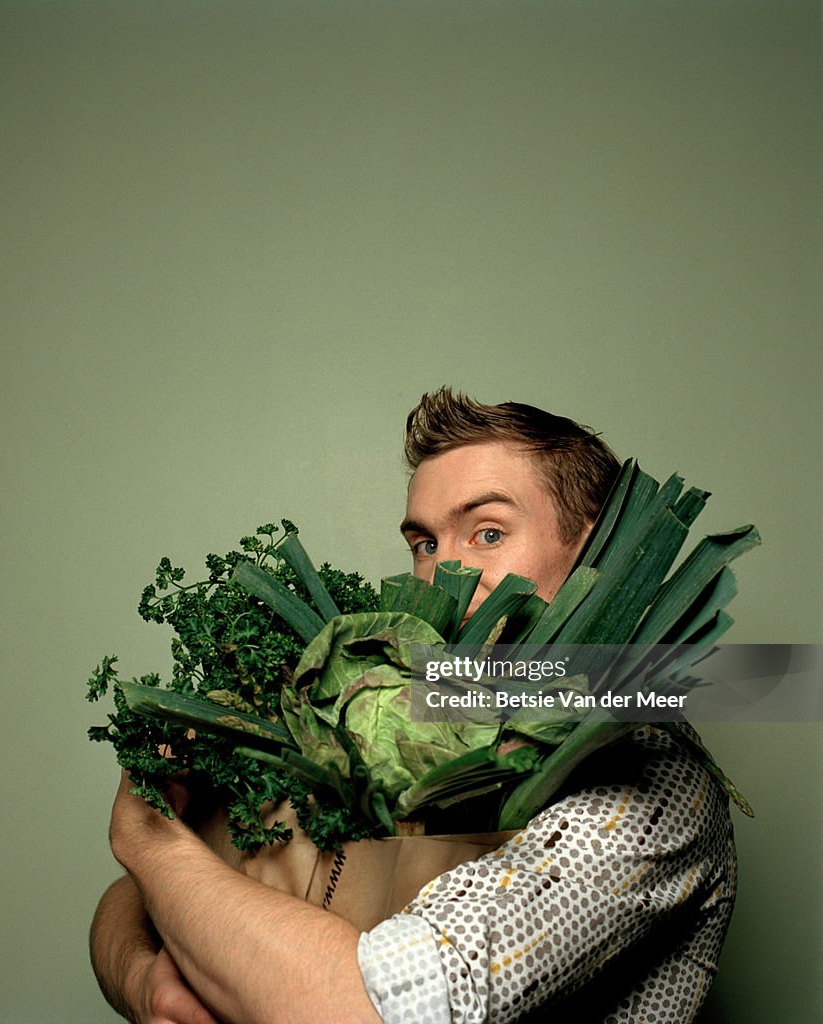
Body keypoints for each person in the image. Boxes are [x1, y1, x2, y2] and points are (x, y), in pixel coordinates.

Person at [90, 388, 737, 1024]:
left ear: (599, 555)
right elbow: (137, 901)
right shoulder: (388, 713)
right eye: (425, 543)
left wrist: (146, 839)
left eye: (487, 532)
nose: (443, 571)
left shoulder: (647, 783)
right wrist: (142, 978)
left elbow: (362, 1011)